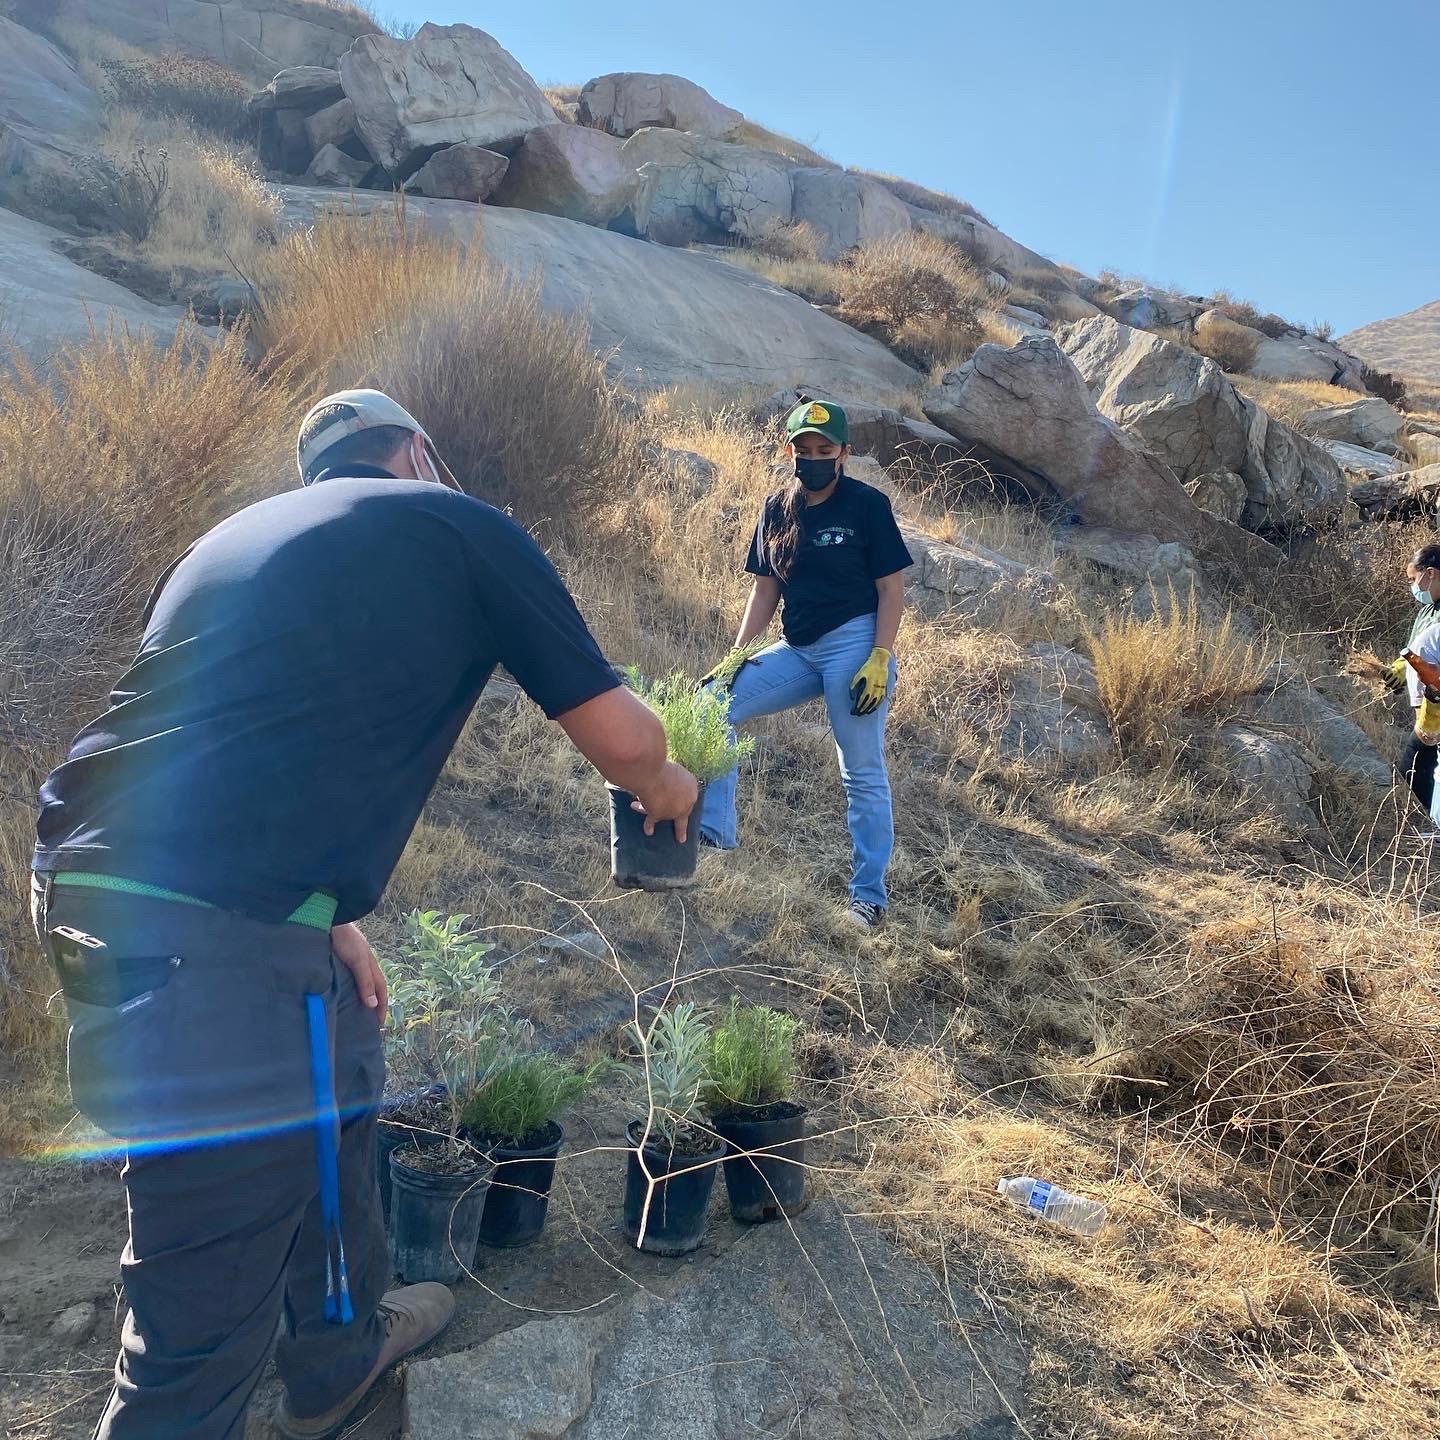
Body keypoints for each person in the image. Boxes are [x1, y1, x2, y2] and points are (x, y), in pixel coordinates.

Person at [28, 389, 698, 1440]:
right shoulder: (460, 523)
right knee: (193, 1343)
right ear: (420, 453)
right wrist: (669, 784)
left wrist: (324, 914)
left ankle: (336, 1359)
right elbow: (623, 742)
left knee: (342, 1033)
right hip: (199, 939)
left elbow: (234, 744)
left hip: (109, 887)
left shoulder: (232, 541)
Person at [697, 400, 912, 929]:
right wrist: (736, 655)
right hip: (798, 648)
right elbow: (765, 591)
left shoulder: (867, 506)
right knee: (711, 701)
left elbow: (891, 590)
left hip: (855, 646)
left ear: (844, 453)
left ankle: (869, 897)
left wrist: (880, 656)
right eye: (804, 449)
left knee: (860, 770)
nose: (814, 458)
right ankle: (714, 834)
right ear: (789, 451)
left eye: (825, 449)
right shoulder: (777, 509)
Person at [1394, 543, 1440, 817]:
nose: (1413, 588)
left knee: (1416, 768)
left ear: (1431, 573)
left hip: (1434, 709)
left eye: (1414, 580)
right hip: (1427, 712)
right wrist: (1397, 669)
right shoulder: (1428, 611)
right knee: (1418, 769)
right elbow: (1414, 651)